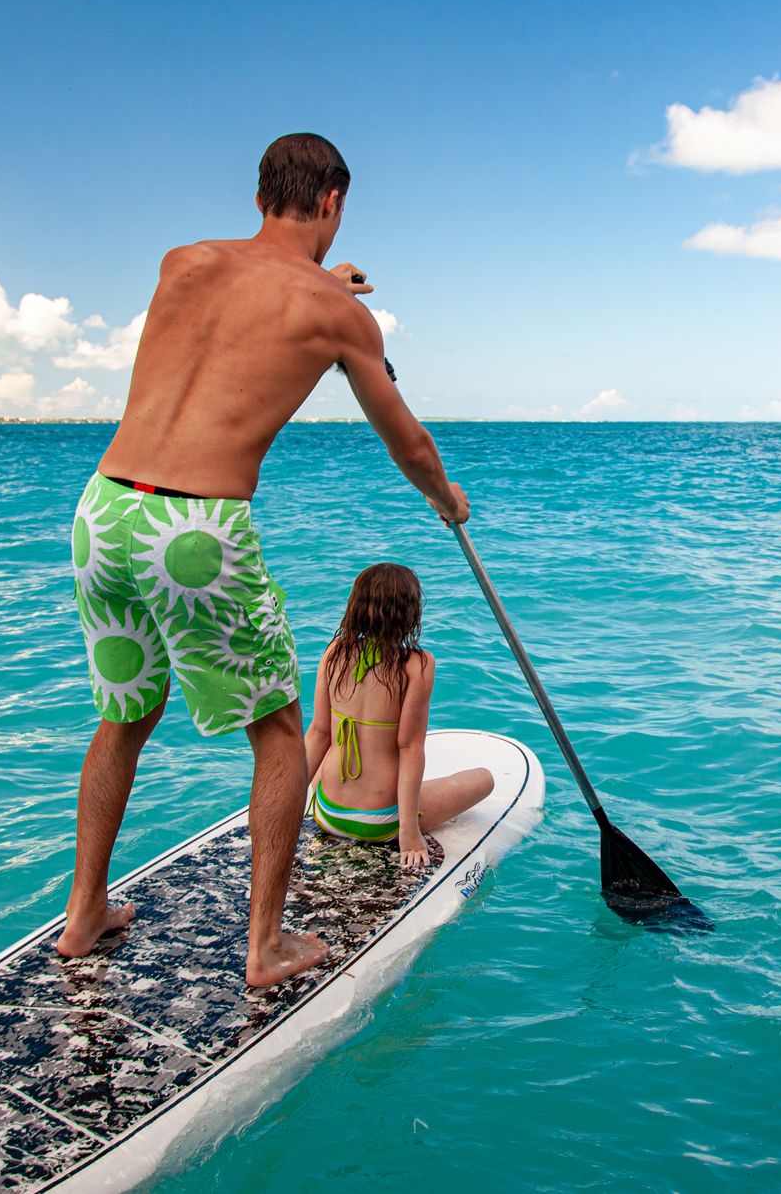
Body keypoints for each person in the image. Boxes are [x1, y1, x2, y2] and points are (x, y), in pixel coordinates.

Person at [62, 133, 469, 987]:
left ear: (259, 197)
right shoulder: (338, 315)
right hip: (194, 530)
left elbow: (250, 299)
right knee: (282, 734)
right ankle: (264, 947)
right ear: (332, 203)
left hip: (103, 510)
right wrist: (446, 497)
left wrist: (325, 279)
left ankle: (85, 912)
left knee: (125, 717)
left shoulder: (182, 263)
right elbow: (409, 440)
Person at [304, 564, 493, 862]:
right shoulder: (416, 665)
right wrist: (409, 833)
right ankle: (400, 820)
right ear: (410, 613)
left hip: (326, 811)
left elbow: (318, 733)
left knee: (330, 743)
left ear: (355, 607)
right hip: (380, 822)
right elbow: (410, 749)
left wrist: (284, 809)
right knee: (484, 779)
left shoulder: (334, 651)